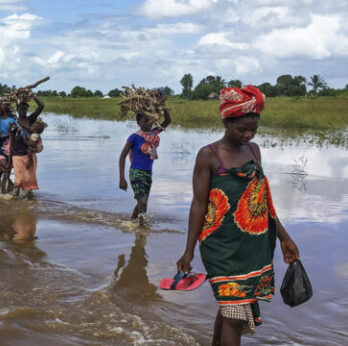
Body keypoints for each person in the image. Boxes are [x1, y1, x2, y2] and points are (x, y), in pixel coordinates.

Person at [175, 85, 300, 345]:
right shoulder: (209, 156)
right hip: (220, 247)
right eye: (241, 129)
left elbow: (261, 201)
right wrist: (188, 251)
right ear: (226, 121)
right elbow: (198, 204)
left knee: (231, 308)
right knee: (235, 316)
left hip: (252, 246)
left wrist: (284, 238)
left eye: (253, 129)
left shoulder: (254, 152)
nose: (248, 134)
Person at [118, 108, 171, 225]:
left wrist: (163, 107)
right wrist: (122, 178)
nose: (148, 123)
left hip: (147, 173)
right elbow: (122, 157)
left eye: (150, 120)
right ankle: (142, 232)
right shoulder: (134, 137)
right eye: (145, 120)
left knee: (142, 202)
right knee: (143, 202)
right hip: (136, 173)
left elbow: (167, 121)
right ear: (138, 122)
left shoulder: (153, 134)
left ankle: (131, 224)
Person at [9, 96, 45, 197]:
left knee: (29, 179)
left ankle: (29, 200)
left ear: (27, 109)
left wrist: (33, 95)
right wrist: (9, 160)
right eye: (20, 108)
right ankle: (14, 198)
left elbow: (41, 105)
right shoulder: (13, 125)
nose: (23, 110)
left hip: (30, 155)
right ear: (17, 110)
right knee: (18, 179)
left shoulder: (31, 119)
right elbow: (11, 142)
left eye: (25, 108)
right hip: (17, 155)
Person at [0, 99, 17, 190]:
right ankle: (5, 188)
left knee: (8, 166)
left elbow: (16, 130)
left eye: (6, 104)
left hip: (10, 143)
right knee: (6, 167)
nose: (4, 106)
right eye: (2, 104)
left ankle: (0, 182)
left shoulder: (13, 118)